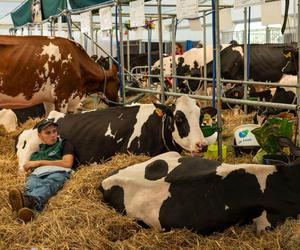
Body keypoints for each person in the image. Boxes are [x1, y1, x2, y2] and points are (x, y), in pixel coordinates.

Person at [9, 118, 76, 223]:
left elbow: (67, 163)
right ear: (40, 136)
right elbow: (28, 170)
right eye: (48, 133)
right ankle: (30, 212)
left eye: (54, 131)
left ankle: (28, 203)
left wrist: (39, 163)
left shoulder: (64, 144)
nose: (53, 135)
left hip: (57, 172)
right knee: (30, 185)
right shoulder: (36, 154)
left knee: (48, 184)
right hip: (36, 175)